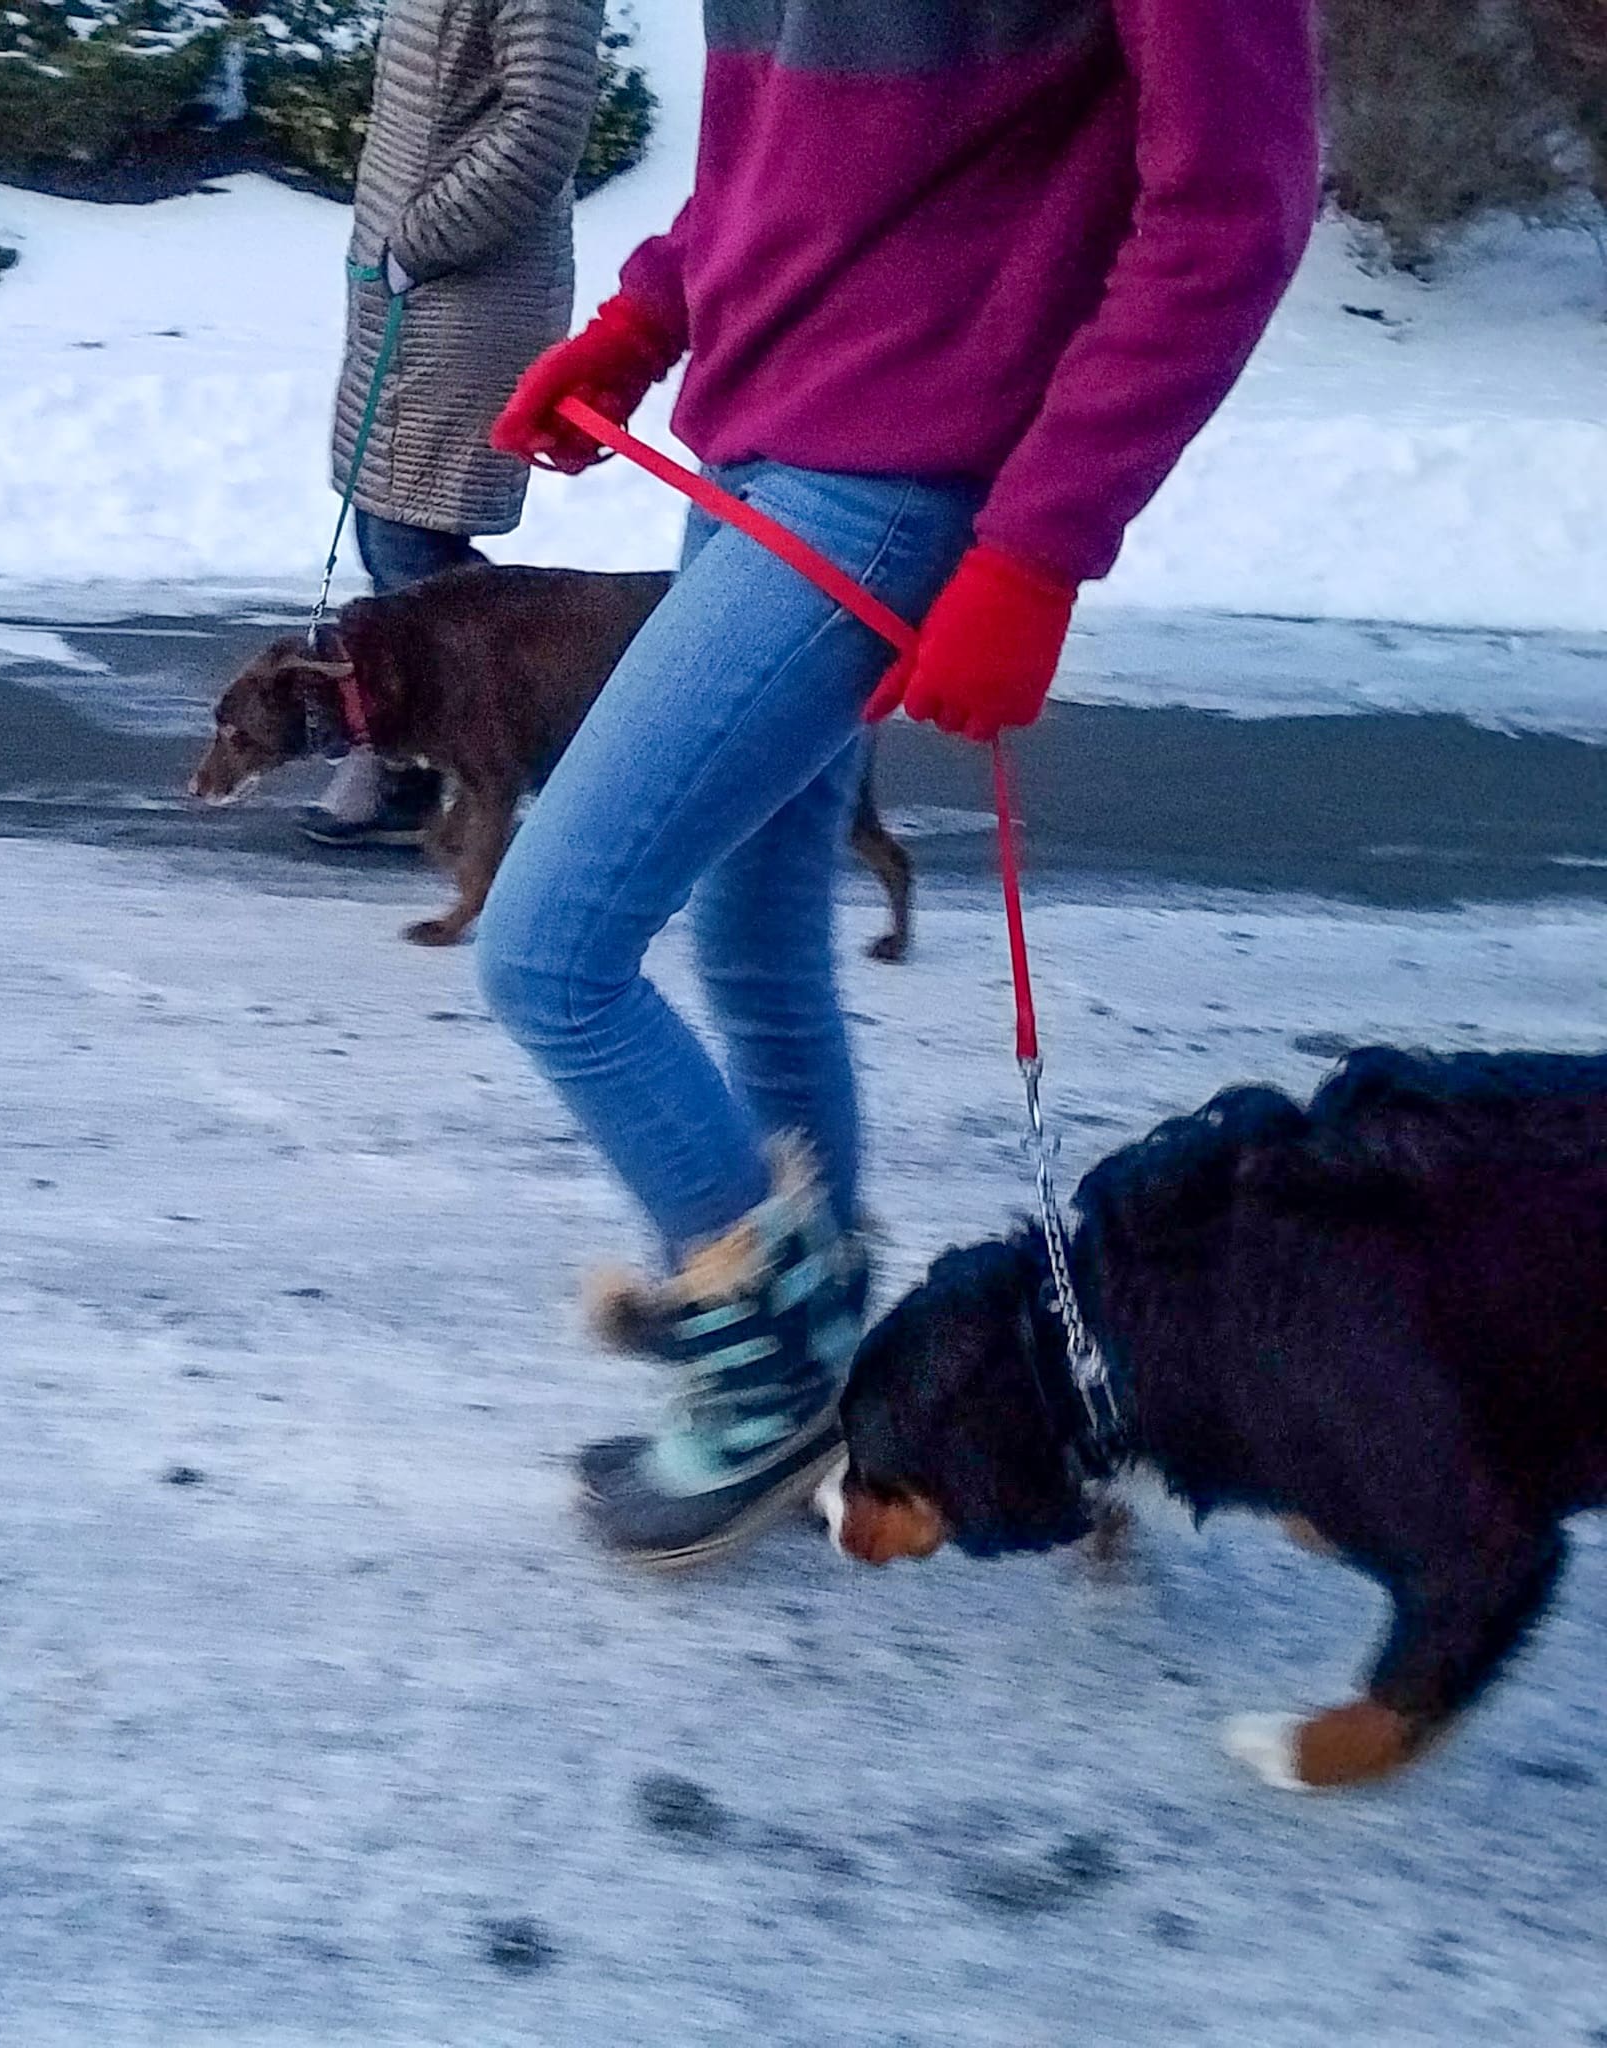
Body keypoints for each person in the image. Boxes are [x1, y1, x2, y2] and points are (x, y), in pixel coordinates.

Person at [480, 0, 1322, 1568]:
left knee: (550, 951)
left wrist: (1039, 546)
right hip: (754, 448)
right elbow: (777, 148)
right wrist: (653, 315)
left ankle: (775, 1363)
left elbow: (1233, 207)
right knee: (753, 931)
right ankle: (844, 1375)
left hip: (897, 478)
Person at [303, 0, 608, 850]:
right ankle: (415, 752)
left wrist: (423, 239)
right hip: (412, 284)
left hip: (470, 285)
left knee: (416, 542)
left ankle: (493, 750)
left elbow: (544, 121)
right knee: (388, 528)